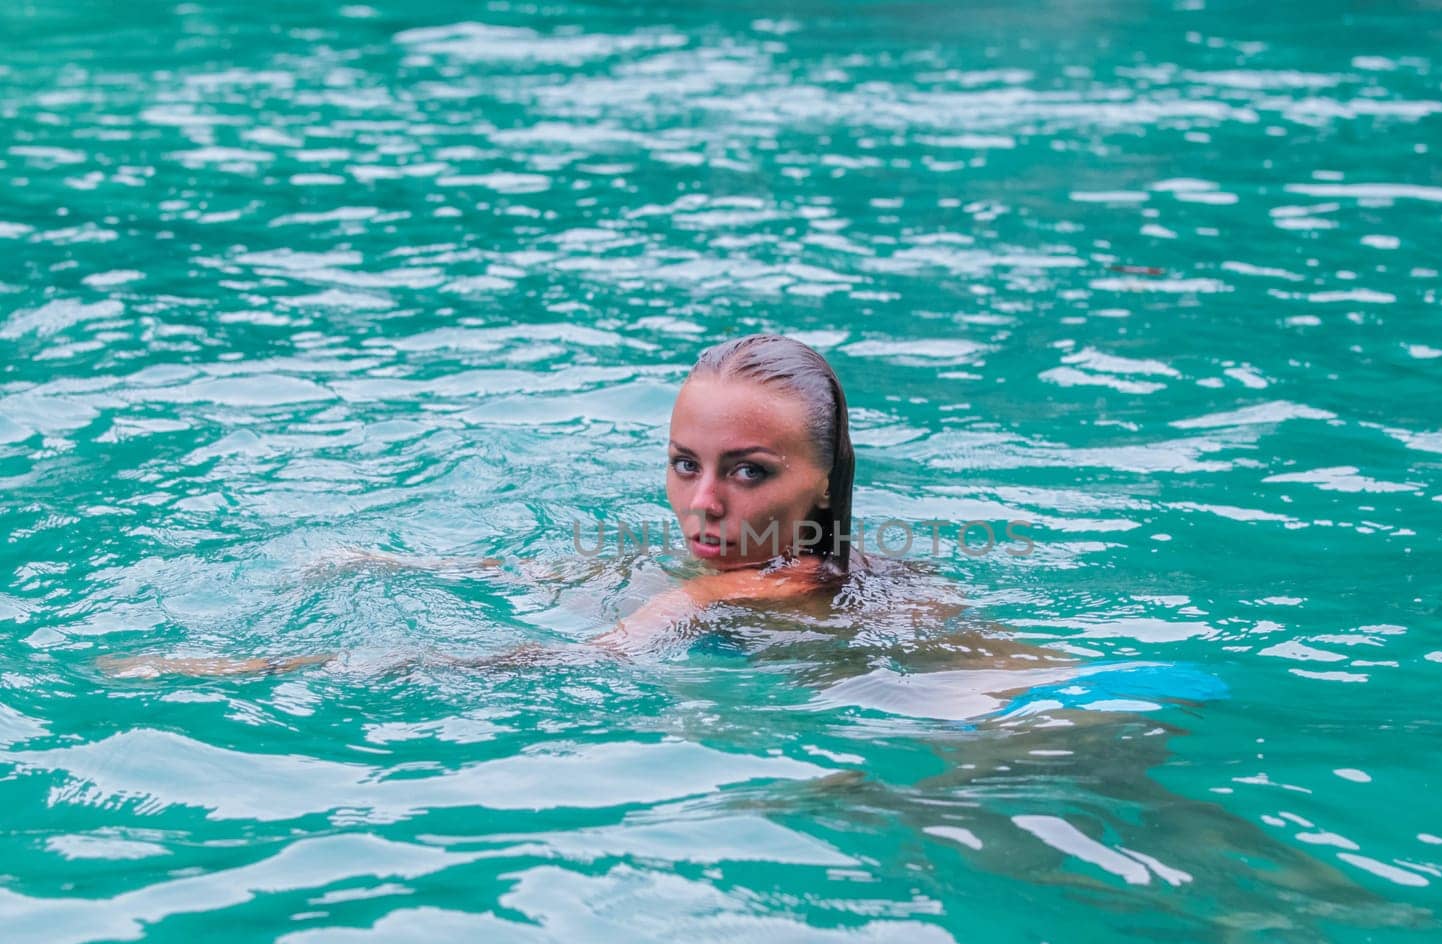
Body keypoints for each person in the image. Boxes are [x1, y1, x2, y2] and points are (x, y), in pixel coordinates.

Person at [101, 333, 1070, 683]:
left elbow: (554, 665)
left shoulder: (748, 593)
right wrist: (398, 564)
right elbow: (585, 575)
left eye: (746, 472)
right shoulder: (753, 565)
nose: (702, 500)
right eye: (684, 463)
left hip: (1025, 724)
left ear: (824, 479)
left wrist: (250, 666)